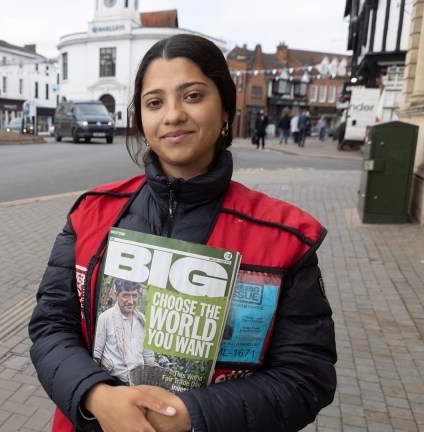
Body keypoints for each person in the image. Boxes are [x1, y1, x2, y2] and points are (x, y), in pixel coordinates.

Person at [29, 34, 336, 432]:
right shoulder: (91, 214)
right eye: (155, 102)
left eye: (192, 96)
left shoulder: (287, 238)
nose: (172, 115)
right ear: (140, 119)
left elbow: (304, 377)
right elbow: (51, 327)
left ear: (226, 107)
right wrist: (96, 395)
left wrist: (192, 416)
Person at [92, 279, 156, 385]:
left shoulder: (143, 321)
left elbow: (148, 355)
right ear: (117, 295)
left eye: (134, 295)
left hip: (138, 384)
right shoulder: (106, 318)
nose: (131, 301)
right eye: (126, 295)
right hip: (113, 381)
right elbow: (96, 355)